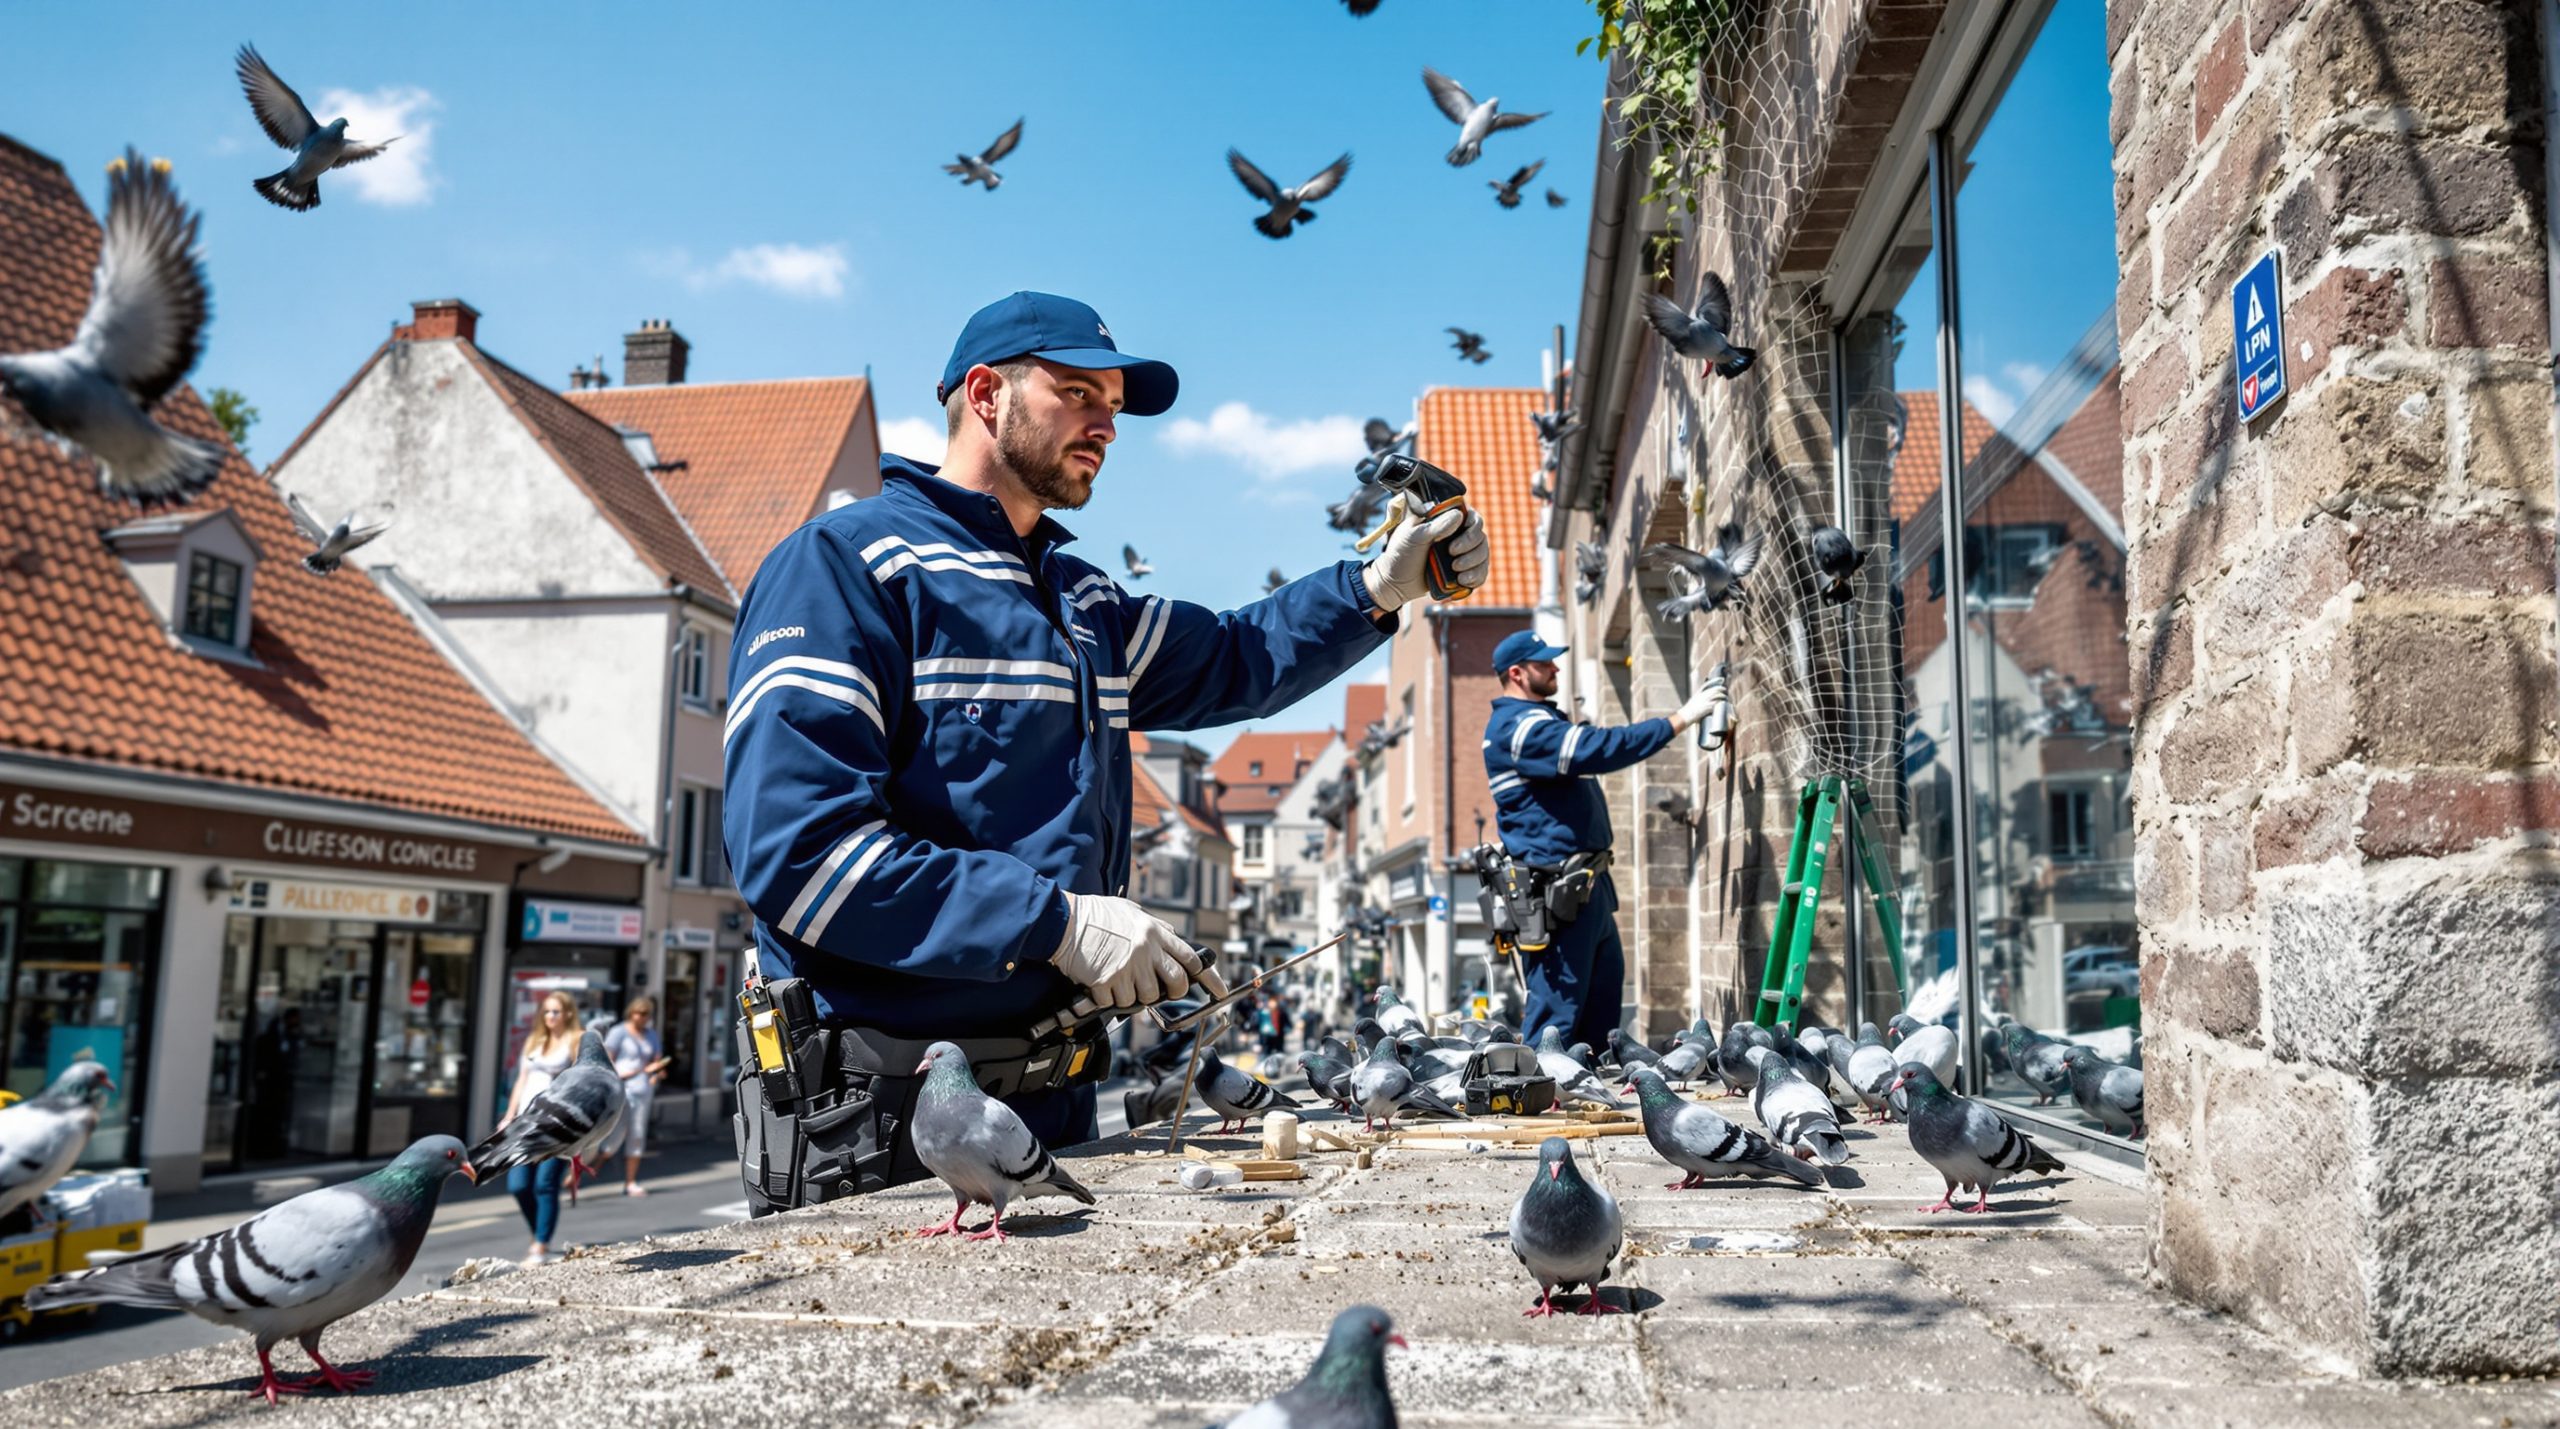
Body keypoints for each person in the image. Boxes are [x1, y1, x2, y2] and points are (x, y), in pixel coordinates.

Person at [723, 291, 1489, 1214]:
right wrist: (1056, 923)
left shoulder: (1079, 596)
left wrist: (1374, 584)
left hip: (1056, 1106)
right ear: (984, 394)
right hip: (885, 1115)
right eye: (1079, 394)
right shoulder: (846, 566)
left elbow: (1237, 655)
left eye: (1114, 408)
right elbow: (800, 852)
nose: (1106, 426)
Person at [1481, 631, 1722, 1050]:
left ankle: (1586, 1101)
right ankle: (1545, 1109)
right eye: (1544, 664)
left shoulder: (1537, 722)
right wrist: (1680, 719)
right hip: (1557, 897)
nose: (1555, 668)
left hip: (1583, 889)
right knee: (1557, 1023)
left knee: (1599, 1018)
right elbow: (1601, 748)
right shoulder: (1517, 728)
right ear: (1516, 674)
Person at [502, 989, 582, 1264]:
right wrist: (509, 1115)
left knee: (545, 1185)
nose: (549, 1016)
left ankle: (541, 1243)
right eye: (546, 1011)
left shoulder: (575, 1041)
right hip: (526, 1124)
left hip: (556, 1126)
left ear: (568, 1014)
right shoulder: (534, 1041)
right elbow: (521, 1081)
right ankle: (539, 1233)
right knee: (518, 1186)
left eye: (555, 1011)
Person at [604, 995, 671, 1196]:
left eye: (647, 1014)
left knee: (637, 1134)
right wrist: (624, 1073)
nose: (643, 1017)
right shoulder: (618, 1033)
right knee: (613, 1135)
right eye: (640, 1013)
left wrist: (657, 1073)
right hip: (622, 1088)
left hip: (643, 1091)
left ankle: (630, 1181)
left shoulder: (651, 1035)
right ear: (631, 1013)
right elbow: (607, 1060)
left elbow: (657, 1061)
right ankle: (590, 1168)